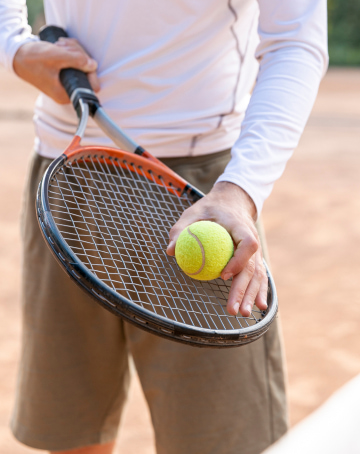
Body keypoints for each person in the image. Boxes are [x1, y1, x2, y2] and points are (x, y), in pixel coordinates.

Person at [0, 1, 328, 453]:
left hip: (201, 198)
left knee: (219, 443)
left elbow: (296, 40)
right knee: (71, 438)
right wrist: (12, 45)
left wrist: (240, 190)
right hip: (67, 176)